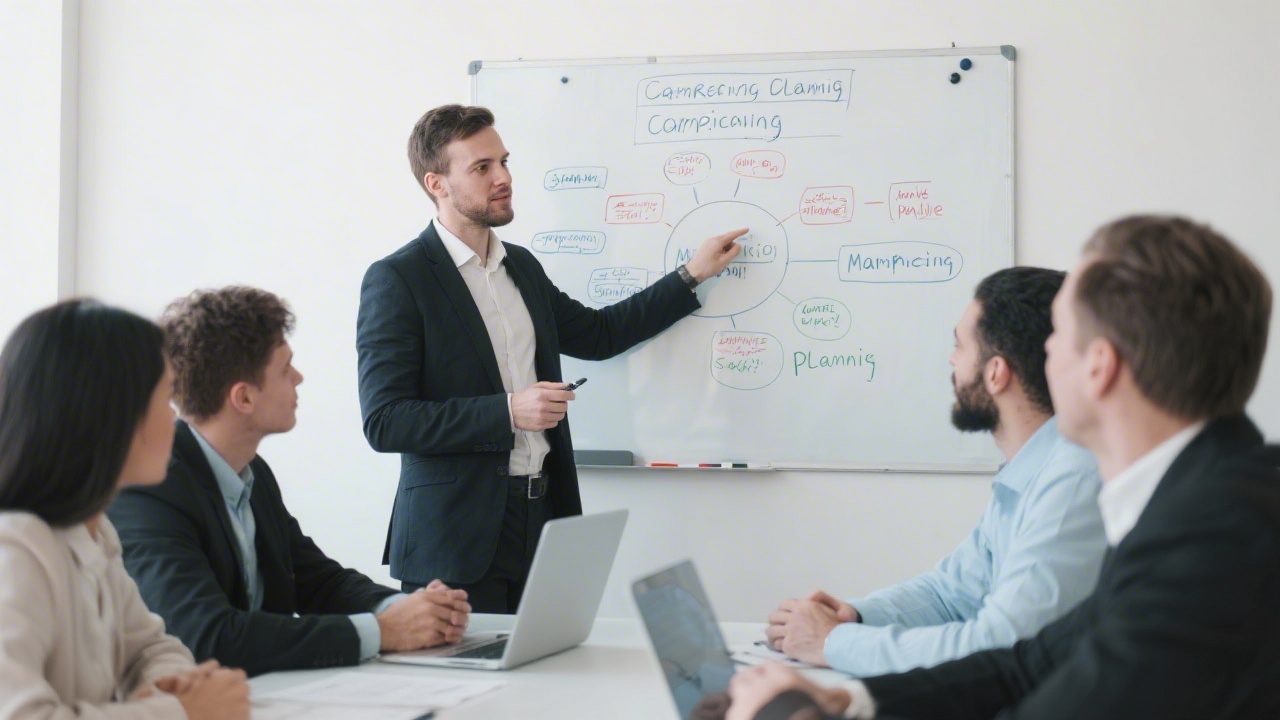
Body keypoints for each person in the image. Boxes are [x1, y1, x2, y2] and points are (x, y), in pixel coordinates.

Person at [726, 215, 1280, 720]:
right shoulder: (1189, 501)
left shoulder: (1211, 538)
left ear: (1099, 369)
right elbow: (1029, 664)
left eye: (1059, 334)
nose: (1044, 355)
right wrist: (852, 702)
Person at [357, 103, 748, 612]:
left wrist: (690, 275)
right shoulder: (398, 279)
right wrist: (508, 411)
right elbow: (385, 421)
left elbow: (600, 334)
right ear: (437, 184)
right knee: (469, 689)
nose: (504, 178)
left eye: (504, 161)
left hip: (543, 521)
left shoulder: (520, 266)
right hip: (456, 541)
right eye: (482, 168)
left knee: (548, 680)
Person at [109, 287, 470, 677]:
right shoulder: (150, 490)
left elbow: (318, 581)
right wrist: (382, 632)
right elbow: (207, 636)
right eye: (285, 369)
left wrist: (408, 609)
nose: (299, 378)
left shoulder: (252, 472)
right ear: (243, 398)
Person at [766, 267, 1105, 676]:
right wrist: (853, 617)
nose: (951, 358)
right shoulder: (1030, 471)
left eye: (959, 346)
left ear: (996, 372)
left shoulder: (1074, 479)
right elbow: (952, 593)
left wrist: (832, 642)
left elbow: (1002, 644)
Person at [0, 299, 250, 720]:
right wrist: (179, 711)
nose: (174, 417)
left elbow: (151, 647)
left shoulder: (94, 532)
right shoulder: (16, 548)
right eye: (166, 395)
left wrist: (169, 683)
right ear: (111, 411)